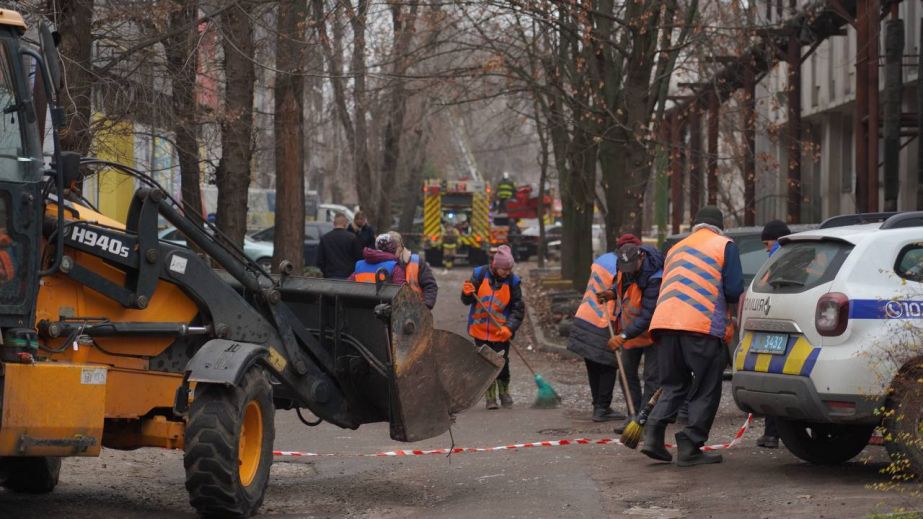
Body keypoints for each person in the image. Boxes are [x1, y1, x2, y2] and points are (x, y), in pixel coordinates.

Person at [641, 206, 744, 466]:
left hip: (664, 324)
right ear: (719, 227)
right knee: (706, 386)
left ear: (695, 225)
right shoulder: (724, 245)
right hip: (700, 325)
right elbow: (733, 289)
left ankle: (653, 433)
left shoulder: (676, 248)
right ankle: (690, 444)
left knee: (674, 383)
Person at [599, 235, 664, 433]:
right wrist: (612, 293)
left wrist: (624, 336)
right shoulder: (625, 265)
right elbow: (621, 284)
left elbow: (647, 315)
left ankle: (644, 422)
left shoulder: (655, 277)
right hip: (630, 331)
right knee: (626, 374)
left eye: (631, 269)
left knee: (651, 377)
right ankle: (632, 416)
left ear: (641, 257)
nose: (628, 273)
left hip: (653, 333)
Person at [566, 242, 627, 422]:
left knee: (593, 364)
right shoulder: (620, 267)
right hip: (603, 319)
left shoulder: (603, 259)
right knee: (608, 364)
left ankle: (597, 405)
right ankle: (602, 408)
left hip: (585, 313)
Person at [461, 245, 524, 410]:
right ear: (496, 266)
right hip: (480, 330)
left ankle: (504, 392)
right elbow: (467, 301)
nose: (507, 272)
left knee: (502, 363)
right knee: (485, 363)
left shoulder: (513, 282)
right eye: (504, 269)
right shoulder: (479, 275)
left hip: (501, 332)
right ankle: (490, 397)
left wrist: (509, 328)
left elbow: (518, 309)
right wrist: (466, 293)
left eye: (510, 269)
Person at [754, 219, 790, 449]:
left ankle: (772, 434)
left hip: (774, 328)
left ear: (775, 240)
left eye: (767, 243)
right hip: (787, 328)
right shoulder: (796, 256)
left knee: (772, 382)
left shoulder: (779, 258)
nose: (765, 248)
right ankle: (775, 433)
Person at [316, 213, 363, 279]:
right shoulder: (352, 238)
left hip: (330, 276)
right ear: (345, 223)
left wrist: (326, 273)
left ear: (334, 223)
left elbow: (320, 261)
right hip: (348, 277)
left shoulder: (325, 238)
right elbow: (359, 258)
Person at [398, 237, 439, 309]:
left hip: (416, 310)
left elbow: (430, 285)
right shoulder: (384, 263)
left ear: (400, 248)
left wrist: (426, 306)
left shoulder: (416, 261)